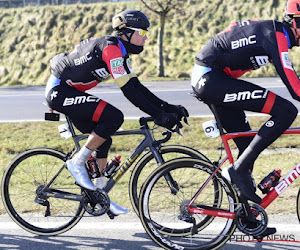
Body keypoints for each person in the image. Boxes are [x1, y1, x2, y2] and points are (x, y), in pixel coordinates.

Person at [45, 9, 188, 215]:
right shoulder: (111, 49)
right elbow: (128, 91)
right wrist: (158, 115)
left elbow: (138, 87)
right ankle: (76, 163)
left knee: (104, 138)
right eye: (143, 33)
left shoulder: (121, 52)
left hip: (69, 92)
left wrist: (167, 108)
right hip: (59, 91)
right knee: (114, 117)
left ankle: (100, 195)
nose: (146, 38)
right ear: (128, 32)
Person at [192, 1, 300, 205]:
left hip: (216, 79)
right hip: (211, 78)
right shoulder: (275, 35)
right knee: (285, 111)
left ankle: (248, 216)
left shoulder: (276, 34)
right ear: (294, 22)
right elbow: (294, 87)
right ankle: (237, 170)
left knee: (247, 148)